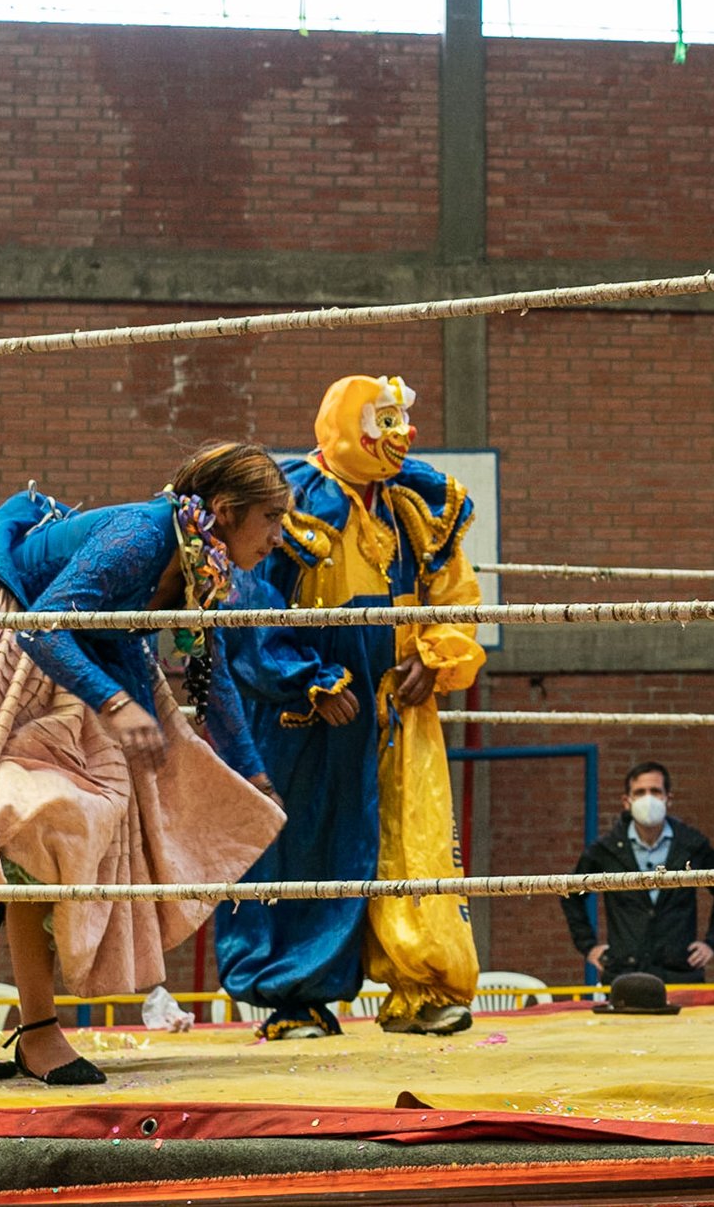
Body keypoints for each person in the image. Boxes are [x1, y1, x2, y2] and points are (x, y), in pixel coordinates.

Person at [0, 443, 291, 1083]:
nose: (279, 538)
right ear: (226, 512)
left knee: (3, 844)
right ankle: (37, 1032)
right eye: (272, 520)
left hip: (51, 669)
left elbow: (213, 673)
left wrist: (255, 777)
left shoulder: (205, 565)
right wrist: (117, 704)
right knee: (37, 826)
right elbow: (42, 625)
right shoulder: (144, 535)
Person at [217, 375, 485, 1040]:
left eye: (404, 419)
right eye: (385, 418)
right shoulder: (288, 499)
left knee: (411, 839)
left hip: (398, 698)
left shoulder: (419, 503)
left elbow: (458, 597)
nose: (403, 433)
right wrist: (304, 675)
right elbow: (246, 601)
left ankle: (420, 987)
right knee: (306, 840)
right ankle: (295, 997)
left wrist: (437, 651)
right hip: (308, 709)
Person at [564, 763, 714, 987]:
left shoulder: (692, 845)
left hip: (680, 973)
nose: (648, 799)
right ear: (627, 801)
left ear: (668, 799)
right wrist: (588, 947)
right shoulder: (606, 850)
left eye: (655, 791)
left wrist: (713, 943)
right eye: (640, 792)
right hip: (625, 973)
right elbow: (570, 893)